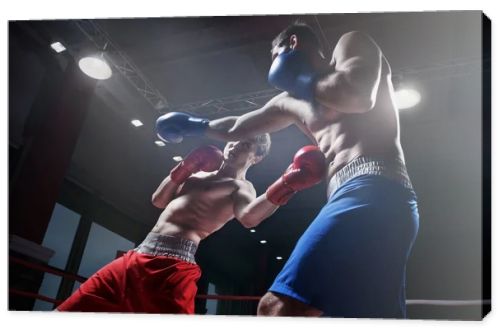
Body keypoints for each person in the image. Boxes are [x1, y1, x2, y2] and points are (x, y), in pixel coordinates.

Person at [155, 22, 419, 318]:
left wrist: (301, 78)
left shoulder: (351, 43)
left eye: (276, 56)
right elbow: (236, 126)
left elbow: (358, 95)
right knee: (362, 316)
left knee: (276, 309)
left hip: (372, 187)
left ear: (292, 44)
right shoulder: (290, 102)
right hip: (367, 199)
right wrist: (193, 125)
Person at [56, 134, 326, 314]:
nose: (234, 146)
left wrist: (285, 186)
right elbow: (159, 200)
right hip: (135, 257)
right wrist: (184, 167)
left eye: (245, 144)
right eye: (233, 141)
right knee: (69, 313)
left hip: (171, 267)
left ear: (257, 157)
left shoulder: (241, 187)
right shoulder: (198, 174)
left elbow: (249, 217)